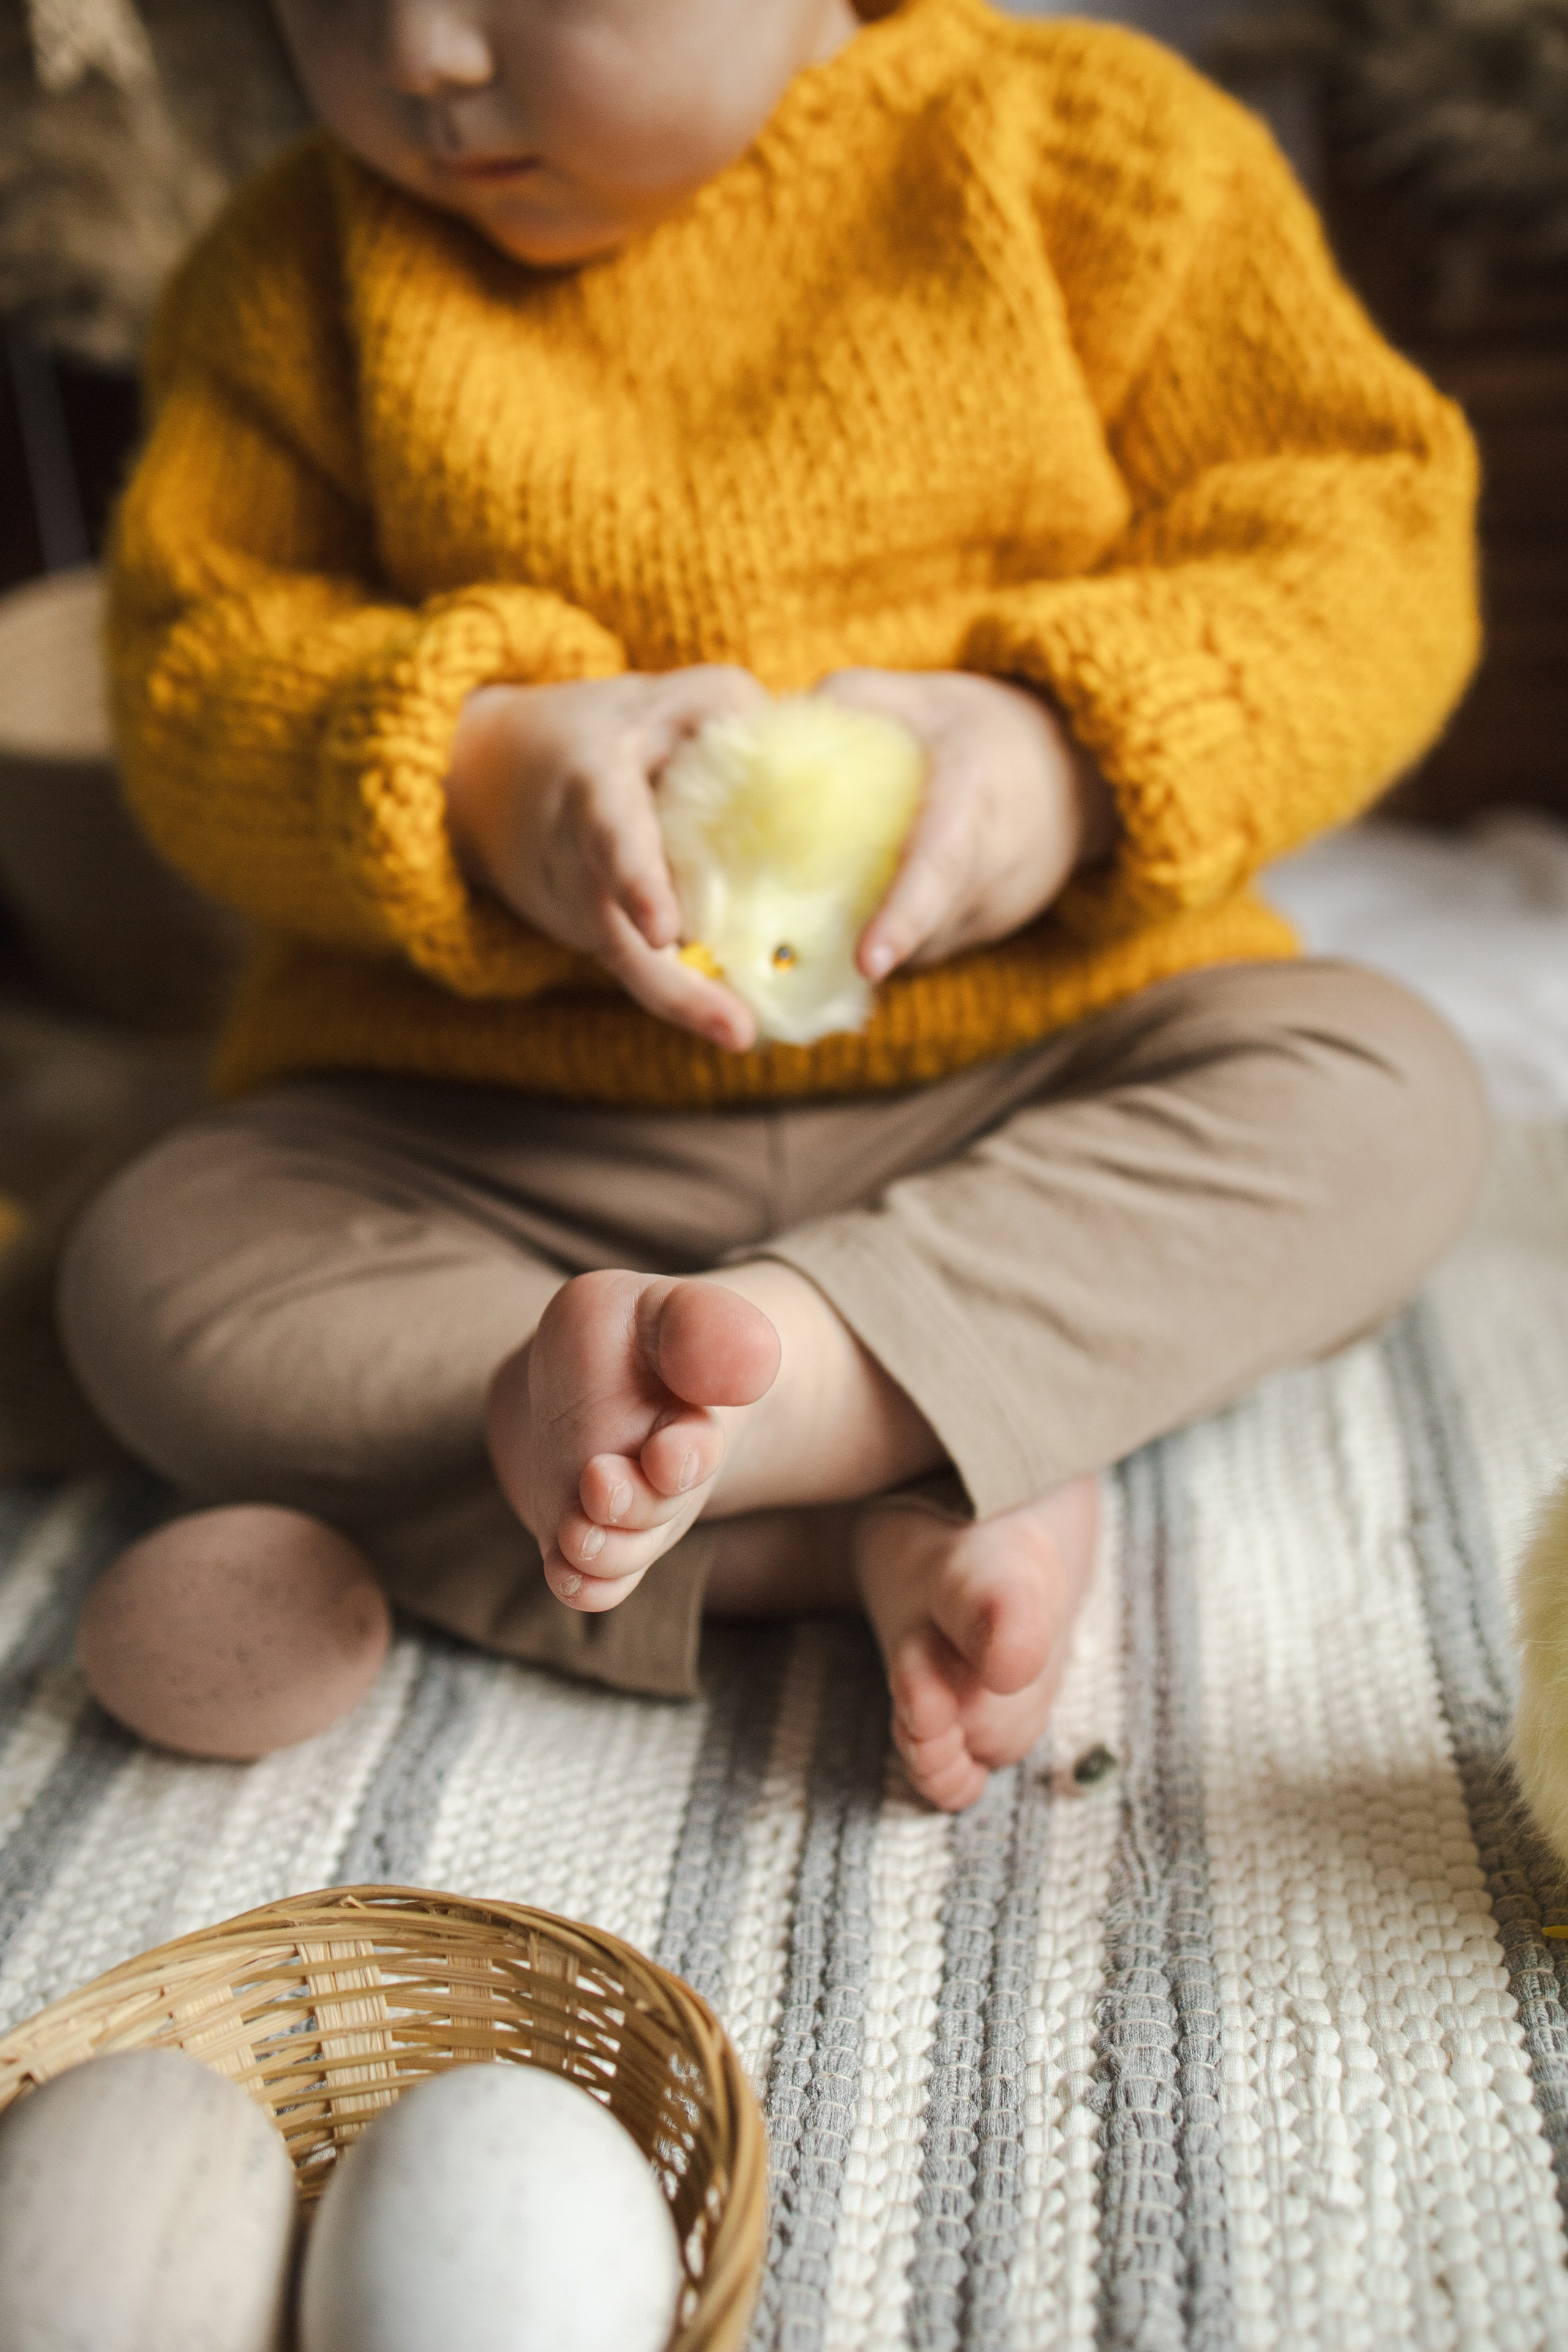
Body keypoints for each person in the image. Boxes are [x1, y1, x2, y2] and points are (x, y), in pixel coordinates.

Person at [60, 0, 1488, 1809]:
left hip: (1034, 1074)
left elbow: (1367, 540)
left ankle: (811, 1380)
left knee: (1383, 1098)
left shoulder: (1093, 155)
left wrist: (1065, 757)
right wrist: (481, 777)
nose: (421, 56)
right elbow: (194, 671)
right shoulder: (295, 267)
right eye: (336, 1)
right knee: (157, 1277)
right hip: (501, 1136)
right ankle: (876, 1492)